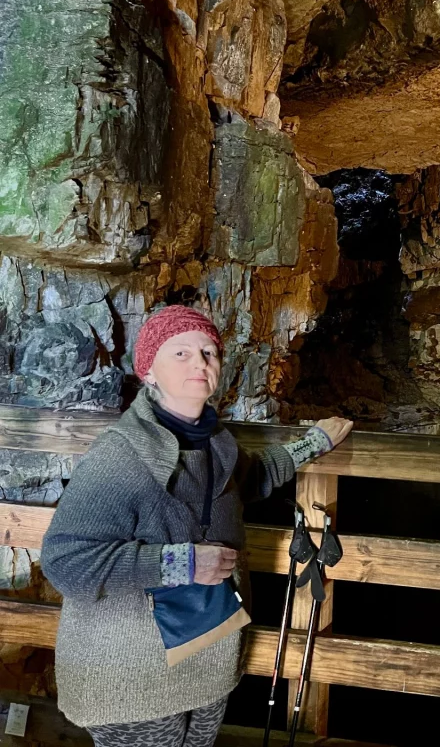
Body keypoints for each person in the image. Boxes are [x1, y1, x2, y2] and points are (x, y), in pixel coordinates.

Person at [40, 305, 353, 746]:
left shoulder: (214, 441)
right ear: (148, 370)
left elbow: (253, 478)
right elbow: (65, 561)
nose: (200, 362)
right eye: (181, 353)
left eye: (209, 351)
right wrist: (182, 563)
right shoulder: (121, 457)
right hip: (133, 674)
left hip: (208, 651)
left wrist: (313, 444)